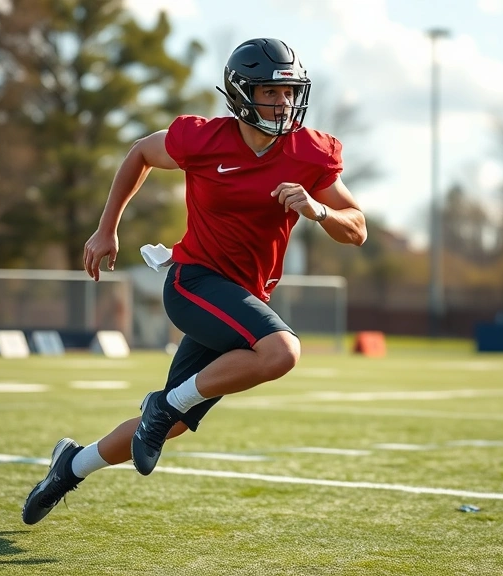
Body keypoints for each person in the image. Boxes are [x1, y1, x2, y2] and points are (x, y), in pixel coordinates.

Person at [22, 37, 367, 525]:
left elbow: (358, 228)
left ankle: (69, 467)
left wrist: (318, 210)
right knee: (281, 351)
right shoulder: (203, 139)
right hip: (194, 282)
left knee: (173, 424)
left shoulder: (309, 153)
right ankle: (163, 406)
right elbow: (140, 152)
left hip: (243, 298)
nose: (284, 103)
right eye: (272, 92)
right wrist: (106, 228)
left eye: (290, 92)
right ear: (243, 92)